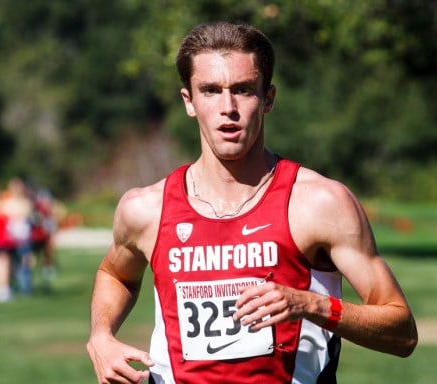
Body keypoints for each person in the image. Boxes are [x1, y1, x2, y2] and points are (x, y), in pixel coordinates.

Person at [86, 21, 418, 384]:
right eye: (210, 91)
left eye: (243, 90)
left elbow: (401, 332)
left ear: (269, 98)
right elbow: (115, 273)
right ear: (189, 102)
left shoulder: (319, 203)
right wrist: (101, 336)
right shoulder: (145, 209)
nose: (227, 108)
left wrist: (311, 304)